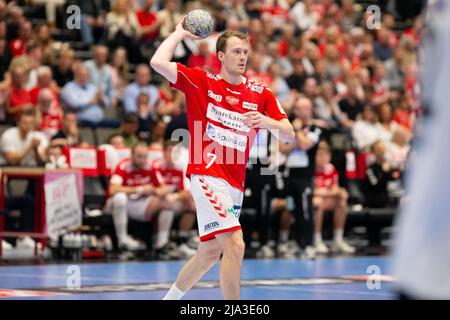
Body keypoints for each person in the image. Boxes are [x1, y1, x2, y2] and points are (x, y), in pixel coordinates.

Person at [150, 21, 295, 300]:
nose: (242, 57)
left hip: (234, 183)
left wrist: (265, 120)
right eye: (236, 52)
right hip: (206, 173)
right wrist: (180, 32)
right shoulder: (202, 82)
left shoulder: (260, 93)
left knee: (209, 253)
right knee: (236, 245)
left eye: (245, 52)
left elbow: (289, 135)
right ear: (220, 56)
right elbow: (158, 61)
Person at [104, 141, 171, 251]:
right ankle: (122, 240)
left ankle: (161, 243)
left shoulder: (151, 167)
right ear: (132, 155)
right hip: (117, 205)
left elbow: (164, 189)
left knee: (167, 202)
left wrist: (154, 190)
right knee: (120, 198)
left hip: (140, 205)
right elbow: (112, 190)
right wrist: (139, 189)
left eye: (145, 157)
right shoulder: (123, 166)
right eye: (139, 156)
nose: (142, 160)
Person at [313, 141, 355, 254]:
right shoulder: (310, 169)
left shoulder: (330, 168)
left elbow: (336, 189)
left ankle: (338, 240)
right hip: (314, 201)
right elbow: (313, 192)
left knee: (341, 202)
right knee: (317, 202)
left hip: (326, 199)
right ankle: (316, 240)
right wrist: (330, 193)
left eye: (326, 155)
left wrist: (338, 193)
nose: (323, 158)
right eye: (320, 154)